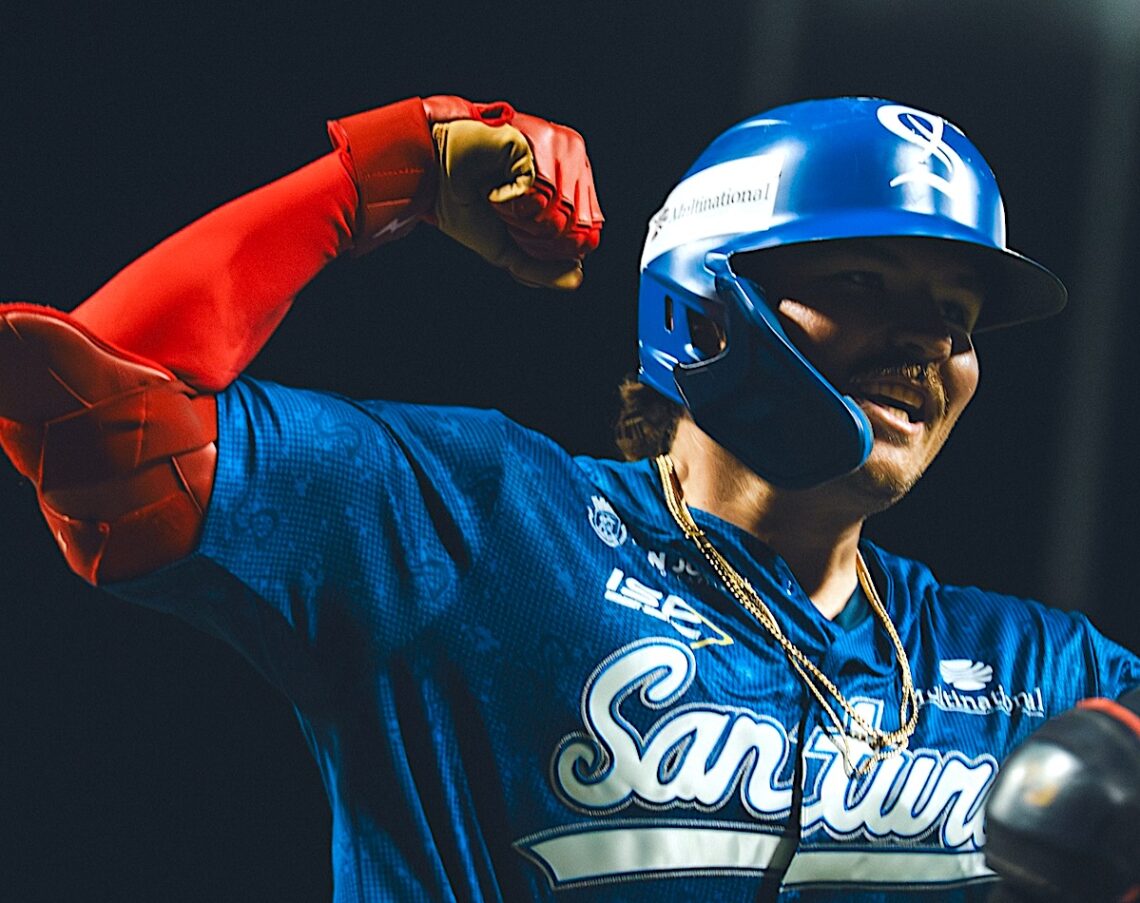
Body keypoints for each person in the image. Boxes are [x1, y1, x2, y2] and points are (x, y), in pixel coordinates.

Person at [0, 93, 1136, 902]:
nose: (928, 342)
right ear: (704, 307)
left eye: (958, 317)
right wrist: (373, 178)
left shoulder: (1036, 672)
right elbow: (100, 421)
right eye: (861, 283)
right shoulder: (487, 527)